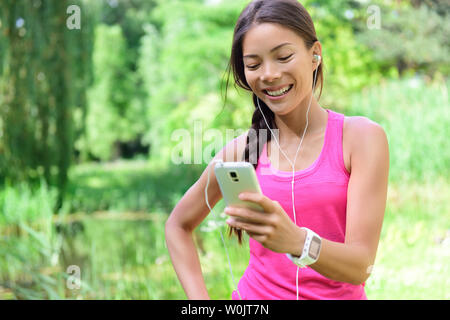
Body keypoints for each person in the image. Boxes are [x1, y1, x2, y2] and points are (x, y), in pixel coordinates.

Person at [165, 0, 389, 300]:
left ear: (315, 55)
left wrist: (297, 241)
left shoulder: (360, 139)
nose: (268, 74)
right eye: (254, 64)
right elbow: (178, 226)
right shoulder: (243, 150)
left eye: (283, 57)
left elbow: (361, 267)